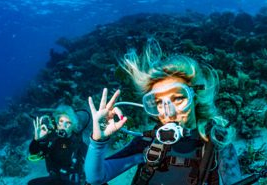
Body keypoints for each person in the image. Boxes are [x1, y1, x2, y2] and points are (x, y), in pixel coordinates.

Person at [85, 39, 242, 185]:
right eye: (159, 102)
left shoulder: (218, 143)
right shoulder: (147, 143)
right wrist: (98, 141)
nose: (169, 113)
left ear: (195, 97)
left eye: (178, 98)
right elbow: (96, 178)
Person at [28, 105, 88, 185]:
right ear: (57, 122)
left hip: (72, 181)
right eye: (61, 121)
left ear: (73, 125)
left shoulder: (76, 142)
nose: (64, 125)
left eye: (68, 123)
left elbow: (92, 159)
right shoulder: (51, 139)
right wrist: (36, 140)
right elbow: (34, 153)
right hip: (54, 179)